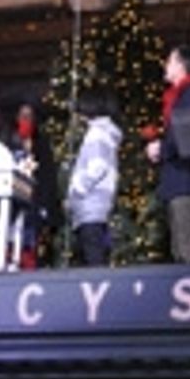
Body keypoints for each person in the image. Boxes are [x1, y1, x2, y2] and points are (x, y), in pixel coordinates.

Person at [145, 44, 190, 264]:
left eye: (170, 60)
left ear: (182, 66)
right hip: (178, 180)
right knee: (180, 246)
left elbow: (188, 134)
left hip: (187, 180)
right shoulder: (179, 96)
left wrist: (162, 149)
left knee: (188, 246)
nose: (166, 65)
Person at [1, 95, 63, 268]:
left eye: (29, 117)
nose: (25, 120)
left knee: (32, 243)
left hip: (34, 205)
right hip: (11, 204)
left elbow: (48, 176)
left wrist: (46, 206)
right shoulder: (7, 142)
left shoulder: (41, 144)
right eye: (22, 116)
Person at [66, 86, 121, 266]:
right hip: (98, 206)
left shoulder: (97, 134)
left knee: (93, 260)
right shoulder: (105, 133)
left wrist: (77, 189)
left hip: (90, 206)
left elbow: (97, 167)